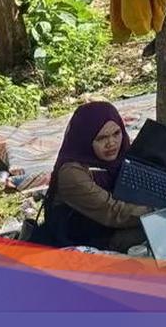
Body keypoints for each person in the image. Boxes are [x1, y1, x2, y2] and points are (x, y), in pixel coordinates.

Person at [35, 102, 150, 252]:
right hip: (89, 238)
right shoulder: (72, 173)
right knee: (155, 232)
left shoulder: (121, 156)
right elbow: (112, 212)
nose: (111, 143)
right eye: (101, 138)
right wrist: (155, 211)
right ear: (85, 139)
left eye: (116, 133)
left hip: (111, 224)